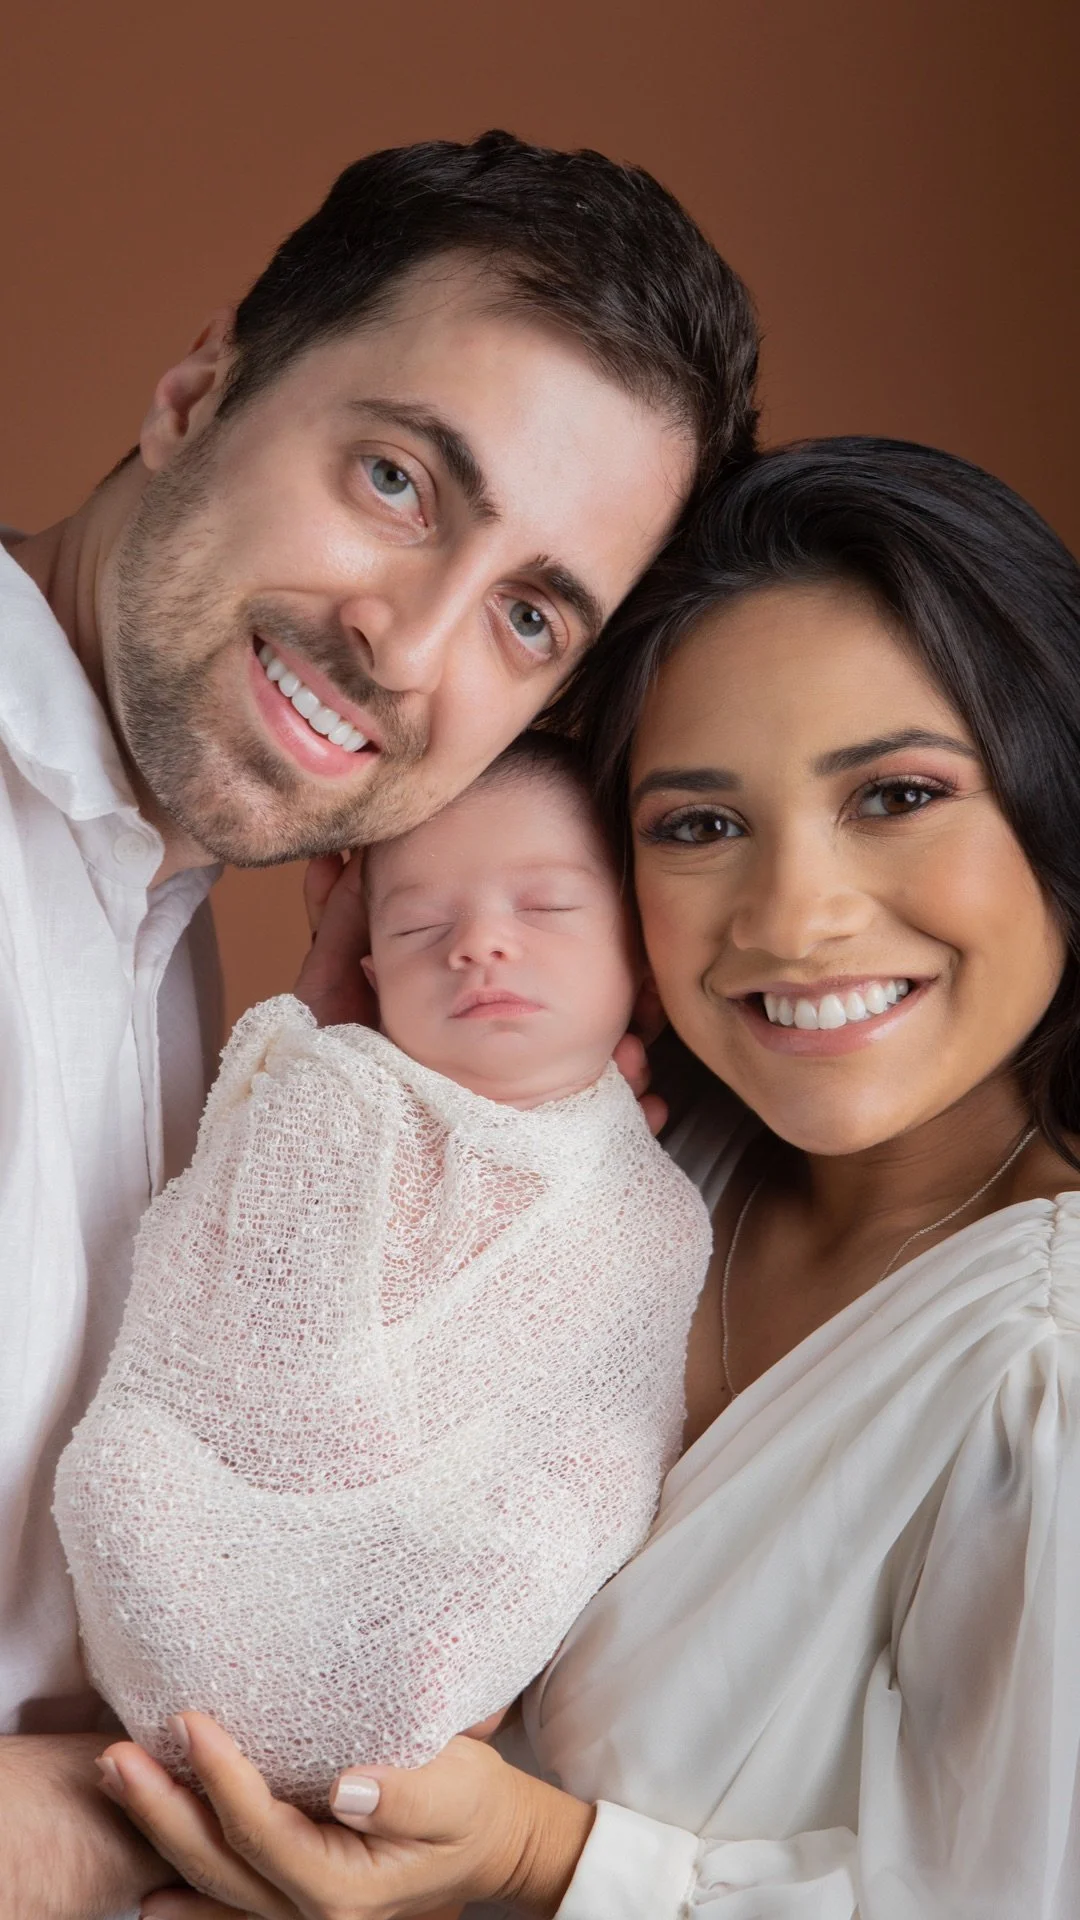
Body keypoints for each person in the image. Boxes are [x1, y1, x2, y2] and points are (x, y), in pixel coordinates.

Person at [108, 438, 1080, 1920]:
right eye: (698, 825)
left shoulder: (1044, 1375)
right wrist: (344, 1059)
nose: (796, 916)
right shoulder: (638, 1162)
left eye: (894, 796)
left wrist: (538, 1861)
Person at [0, 130, 758, 1916]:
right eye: (402, 480)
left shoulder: (219, 953)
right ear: (199, 392)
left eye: (527, 613)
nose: (410, 650)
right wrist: (159, 1828)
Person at [54, 733, 710, 1817]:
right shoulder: (335, 1099)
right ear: (370, 973)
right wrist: (311, 1073)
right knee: (119, 1475)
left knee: (537, 1528)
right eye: (417, 927)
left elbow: (606, 1429)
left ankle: (374, 1717)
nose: (479, 947)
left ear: (638, 955)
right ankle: (242, 1727)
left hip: (443, 1567)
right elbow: (231, 1323)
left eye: (544, 909)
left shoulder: (652, 1207)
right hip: (222, 1524)